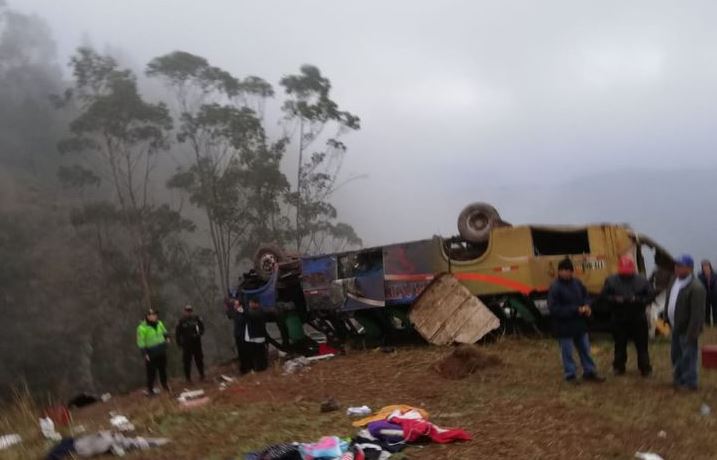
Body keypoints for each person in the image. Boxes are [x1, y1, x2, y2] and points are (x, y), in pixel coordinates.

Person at [548, 258, 605, 383]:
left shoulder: (577, 283)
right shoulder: (555, 287)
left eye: (569, 270)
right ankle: (570, 374)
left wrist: (587, 306)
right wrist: (575, 310)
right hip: (564, 326)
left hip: (580, 324)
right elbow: (554, 308)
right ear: (559, 271)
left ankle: (589, 372)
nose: (567, 273)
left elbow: (586, 296)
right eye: (565, 270)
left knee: (585, 349)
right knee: (567, 352)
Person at [601, 256, 655, 376]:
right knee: (619, 345)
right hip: (619, 318)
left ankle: (645, 368)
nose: (625, 275)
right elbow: (604, 296)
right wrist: (615, 299)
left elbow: (651, 296)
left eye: (627, 272)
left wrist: (637, 300)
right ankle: (618, 367)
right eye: (623, 273)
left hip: (638, 317)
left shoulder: (642, 281)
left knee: (642, 346)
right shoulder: (611, 280)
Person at [665, 254, 706, 390]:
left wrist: (692, 333)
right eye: (676, 265)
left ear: (689, 268)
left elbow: (698, 314)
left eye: (680, 266)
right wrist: (666, 317)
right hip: (675, 327)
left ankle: (690, 382)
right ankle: (679, 379)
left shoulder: (696, 287)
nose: (676, 268)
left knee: (688, 356)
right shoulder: (673, 280)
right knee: (676, 355)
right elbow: (669, 300)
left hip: (687, 330)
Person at [136, 309, 170, 396]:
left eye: (155, 314)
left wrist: (167, 338)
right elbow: (141, 342)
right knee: (151, 373)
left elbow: (165, 332)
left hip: (161, 350)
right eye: (153, 315)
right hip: (151, 352)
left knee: (163, 370)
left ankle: (165, 385)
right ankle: (150, 390)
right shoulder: (142, 328)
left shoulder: (159, 323)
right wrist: (144, 353)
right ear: (148, 316)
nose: (155, 316)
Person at [175, 305, 205, 382]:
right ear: (184, 311)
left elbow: (202, 328)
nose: (188, 312)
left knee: (199, 359)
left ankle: (202, 374)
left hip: (196, 343)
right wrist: (179, 343)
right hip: (187, 344)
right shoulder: (181, 321)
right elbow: (177, 333)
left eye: (190, 311)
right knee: (187, 361)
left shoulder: (196, 318)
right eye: (187, 311)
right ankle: (188, 378)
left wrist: (199, 334)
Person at [698, 260, 717, 326]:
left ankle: (715, 323)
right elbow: (701, 285)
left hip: (714, 295)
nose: (705, 267)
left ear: (710, 266)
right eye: (704, 266)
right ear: (702, 267)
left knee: (715, 310)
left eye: (707, 266)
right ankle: (707, 324)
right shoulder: (700, 276)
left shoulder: (714, 275)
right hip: (705, 295)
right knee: (706, 310)